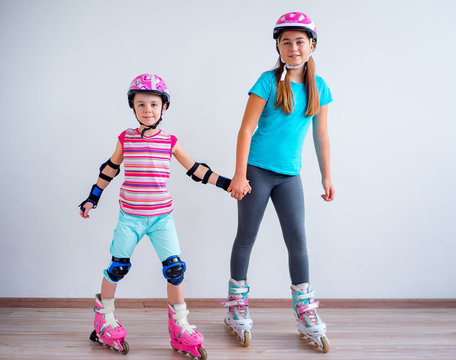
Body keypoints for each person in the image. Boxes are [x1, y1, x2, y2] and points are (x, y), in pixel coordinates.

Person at [79, 74, 238, 359]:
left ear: (164, 108)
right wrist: (93, 197)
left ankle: (180, 325)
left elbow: (196, 170)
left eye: (154, 104)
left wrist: (228, 184)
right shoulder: (125, 139)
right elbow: (110, 169)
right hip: (131, 217)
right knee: (117, 268)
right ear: (133, 108)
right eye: (141, 104)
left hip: (161, 217)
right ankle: (104, 319)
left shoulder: (170, 141)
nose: (148, 110)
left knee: (175, 269)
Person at [221, 12, 334, 353]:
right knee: (247, 237)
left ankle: (305, 310)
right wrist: (239, 174)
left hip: (290, 176)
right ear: (278, 46)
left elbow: (321, 134)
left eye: (300, 41)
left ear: (312, 46)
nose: (293, 47)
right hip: (256, 171)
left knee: (297, 240)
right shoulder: (268, 82)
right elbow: (245, 129)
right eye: (286, 41)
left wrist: (326, 174)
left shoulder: (320, 87)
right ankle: (236, 305)